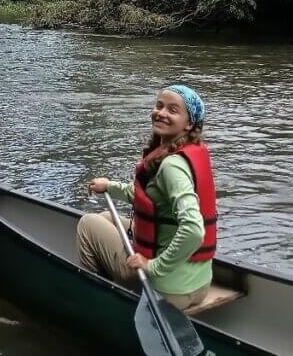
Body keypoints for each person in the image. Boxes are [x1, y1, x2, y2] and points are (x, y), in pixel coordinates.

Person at [76, 84, 217, 311]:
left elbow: (193, 229)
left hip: (168, 290)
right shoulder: (187, 152)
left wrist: (153, 266)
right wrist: (109, 186)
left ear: (189, 123)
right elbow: (149, 198)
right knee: (104, 216)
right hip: (198, 285)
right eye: (159, 106)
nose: (161, 113)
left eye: (172, 110)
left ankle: (94, 299)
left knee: (87, 224)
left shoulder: (172, 166)